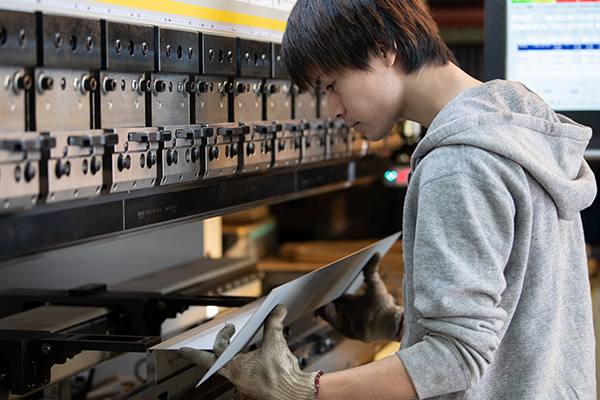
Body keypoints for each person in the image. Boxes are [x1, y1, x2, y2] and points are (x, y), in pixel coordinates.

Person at [178, 0, 598, 398]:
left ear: (384, 49)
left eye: (332, 85)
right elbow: (517, 320)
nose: (333, 110)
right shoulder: (520, 119)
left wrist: (303, 389)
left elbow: (459, 358)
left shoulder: (458, 162)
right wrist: (401, 324)